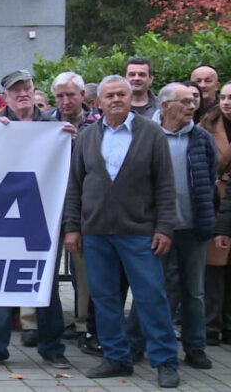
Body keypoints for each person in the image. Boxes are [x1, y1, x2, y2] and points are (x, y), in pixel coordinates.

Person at [64, 75, 180, 388]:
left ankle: (165, 361)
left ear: (131, 99)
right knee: (104, 299)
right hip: (95, 232)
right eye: (110, 95)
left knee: (151, 297)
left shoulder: (152, 133)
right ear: (98, 102)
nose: (116, 99)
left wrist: (165, 227)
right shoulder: (88, 136)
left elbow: (166, 185)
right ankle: (116, 357)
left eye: (121, 95)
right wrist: (72, 227)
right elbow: (75, 186)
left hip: (139, 231)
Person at [0, 70, 72, 370]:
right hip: (2, 218)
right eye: (16, 90)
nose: (23, 94)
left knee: (47, 284)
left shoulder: (54, 127)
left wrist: (72, 140)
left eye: (27, 88)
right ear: (5, 97)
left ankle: (52, 348)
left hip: (42, 217)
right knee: (1, 282)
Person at [123, 82, 216, 370]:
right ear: (165, 106)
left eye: (193, 101)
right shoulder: (144, 135)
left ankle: (195, 347)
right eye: (185, 101)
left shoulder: (202, 138)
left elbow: (209, 176)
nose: (192, 106)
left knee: (194, 291)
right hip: (154, 228)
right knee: (148, 288)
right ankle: (135, 343)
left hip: (192, 227)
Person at [48, 72, 101, 355]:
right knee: (44, 266)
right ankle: (38, 325)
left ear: (83, 95)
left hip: (84, 205)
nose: (65, 101)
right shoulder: (45, 122)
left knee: (83, 270)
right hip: (48, 204)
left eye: (70, 95)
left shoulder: (99, 123)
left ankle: (83, 326)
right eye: (60, 96)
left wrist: (80, 141)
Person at [200, 81, 231, 346]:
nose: (227, 102)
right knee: (214, 268)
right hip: (216, 200)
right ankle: (211, 324)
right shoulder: (207, 125)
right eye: (224, 97)